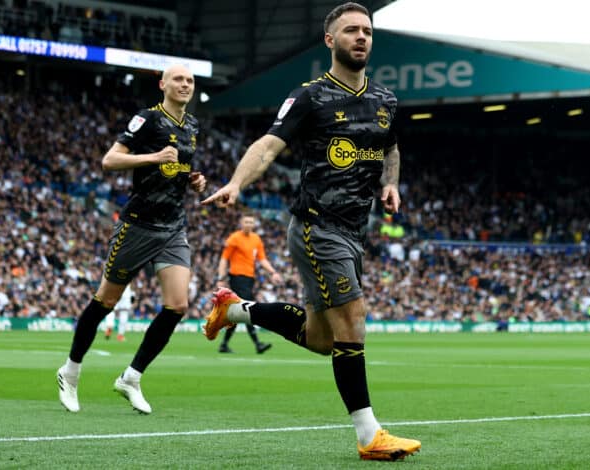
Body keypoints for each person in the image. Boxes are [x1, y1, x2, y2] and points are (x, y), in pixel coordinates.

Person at [200, 2, 420, 461]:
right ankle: (369, 436)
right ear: (330, 40)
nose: (361, 37)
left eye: (367, 31)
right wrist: (237, 183)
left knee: (323, 340)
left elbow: (391, 146)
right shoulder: (310, 97)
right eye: (351, 31)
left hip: (353, 232)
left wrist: (392, 182)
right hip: (317, 226)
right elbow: (267, 146)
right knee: (353, 322)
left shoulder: (386, 100)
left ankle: (236, 310)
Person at [56, 64, 205, 414]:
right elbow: (110, 160)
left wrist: (194, 180)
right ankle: (71, 371)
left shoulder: (193, 126)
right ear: (163, 84)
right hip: (138, 226)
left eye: (190, 81)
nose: (185, 85)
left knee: (178, 305)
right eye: (179, 79)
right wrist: (154, 156)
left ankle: (132, 377)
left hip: (173, 227)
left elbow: (175, 172)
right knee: (105, 301)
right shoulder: (147, 120)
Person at [215, 214, 282, 354]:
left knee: (237, 313)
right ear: (241, 223)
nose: (248, 224)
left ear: (254, 224)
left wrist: (273, 272)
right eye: (246, 221)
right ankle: (258, 344)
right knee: (248, 308)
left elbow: (262, 259)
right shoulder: (234, 238)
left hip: (249, 279)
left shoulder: (256, 239)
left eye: (251, 222)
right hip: (237, 278)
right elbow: (224, 259)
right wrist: (220, 278)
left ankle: (224, 345)